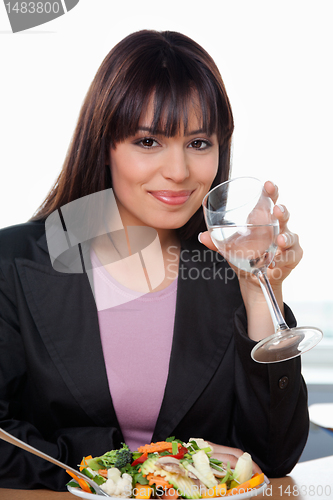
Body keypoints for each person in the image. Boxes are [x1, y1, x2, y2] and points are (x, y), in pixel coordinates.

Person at [0, 30, 308, 491]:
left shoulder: (225, 271)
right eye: (148, 142)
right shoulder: (15, 263)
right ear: (105, 145)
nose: (179, 171)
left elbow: (272, 457)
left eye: (199, 143)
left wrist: (260, 293)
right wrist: (138, 464)